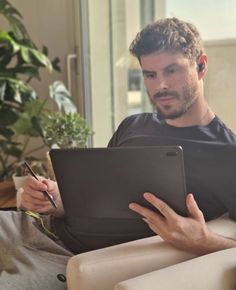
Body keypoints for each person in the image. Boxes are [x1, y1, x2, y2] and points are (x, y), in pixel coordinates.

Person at [2, 17, 235, 289]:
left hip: (71, 261)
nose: (160, 85)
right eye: (150, 74)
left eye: (172, 71)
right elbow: (99, 195)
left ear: (201, 66)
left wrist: (203, 240)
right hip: (33, 227)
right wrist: (56, 198)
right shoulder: (133, 125)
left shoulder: (227, 154)